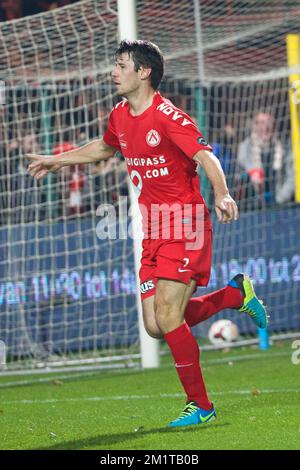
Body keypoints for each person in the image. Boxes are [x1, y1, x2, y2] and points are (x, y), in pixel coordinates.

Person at [27, 40, 268, 428]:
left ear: (144, 72)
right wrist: (58, 160)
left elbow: (206, 156)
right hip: (152, 227)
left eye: (121, 65)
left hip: (185, 222)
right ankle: (234, 295)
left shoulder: (169, 116)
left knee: (169, 314)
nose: (113, 71)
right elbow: (103, 149)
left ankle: (201, 405)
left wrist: (222, 193)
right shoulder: (120, 115)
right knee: (156, 326)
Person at [237, 111, 294, 209]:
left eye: (268, 123)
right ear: (254, 126)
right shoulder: (245, 148)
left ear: (274, 126)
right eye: (260, 123)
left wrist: (280, 200)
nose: (265, 128)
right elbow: (240, 176)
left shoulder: (285, 147)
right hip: (251, 207)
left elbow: (292, 176)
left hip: (281, 206)